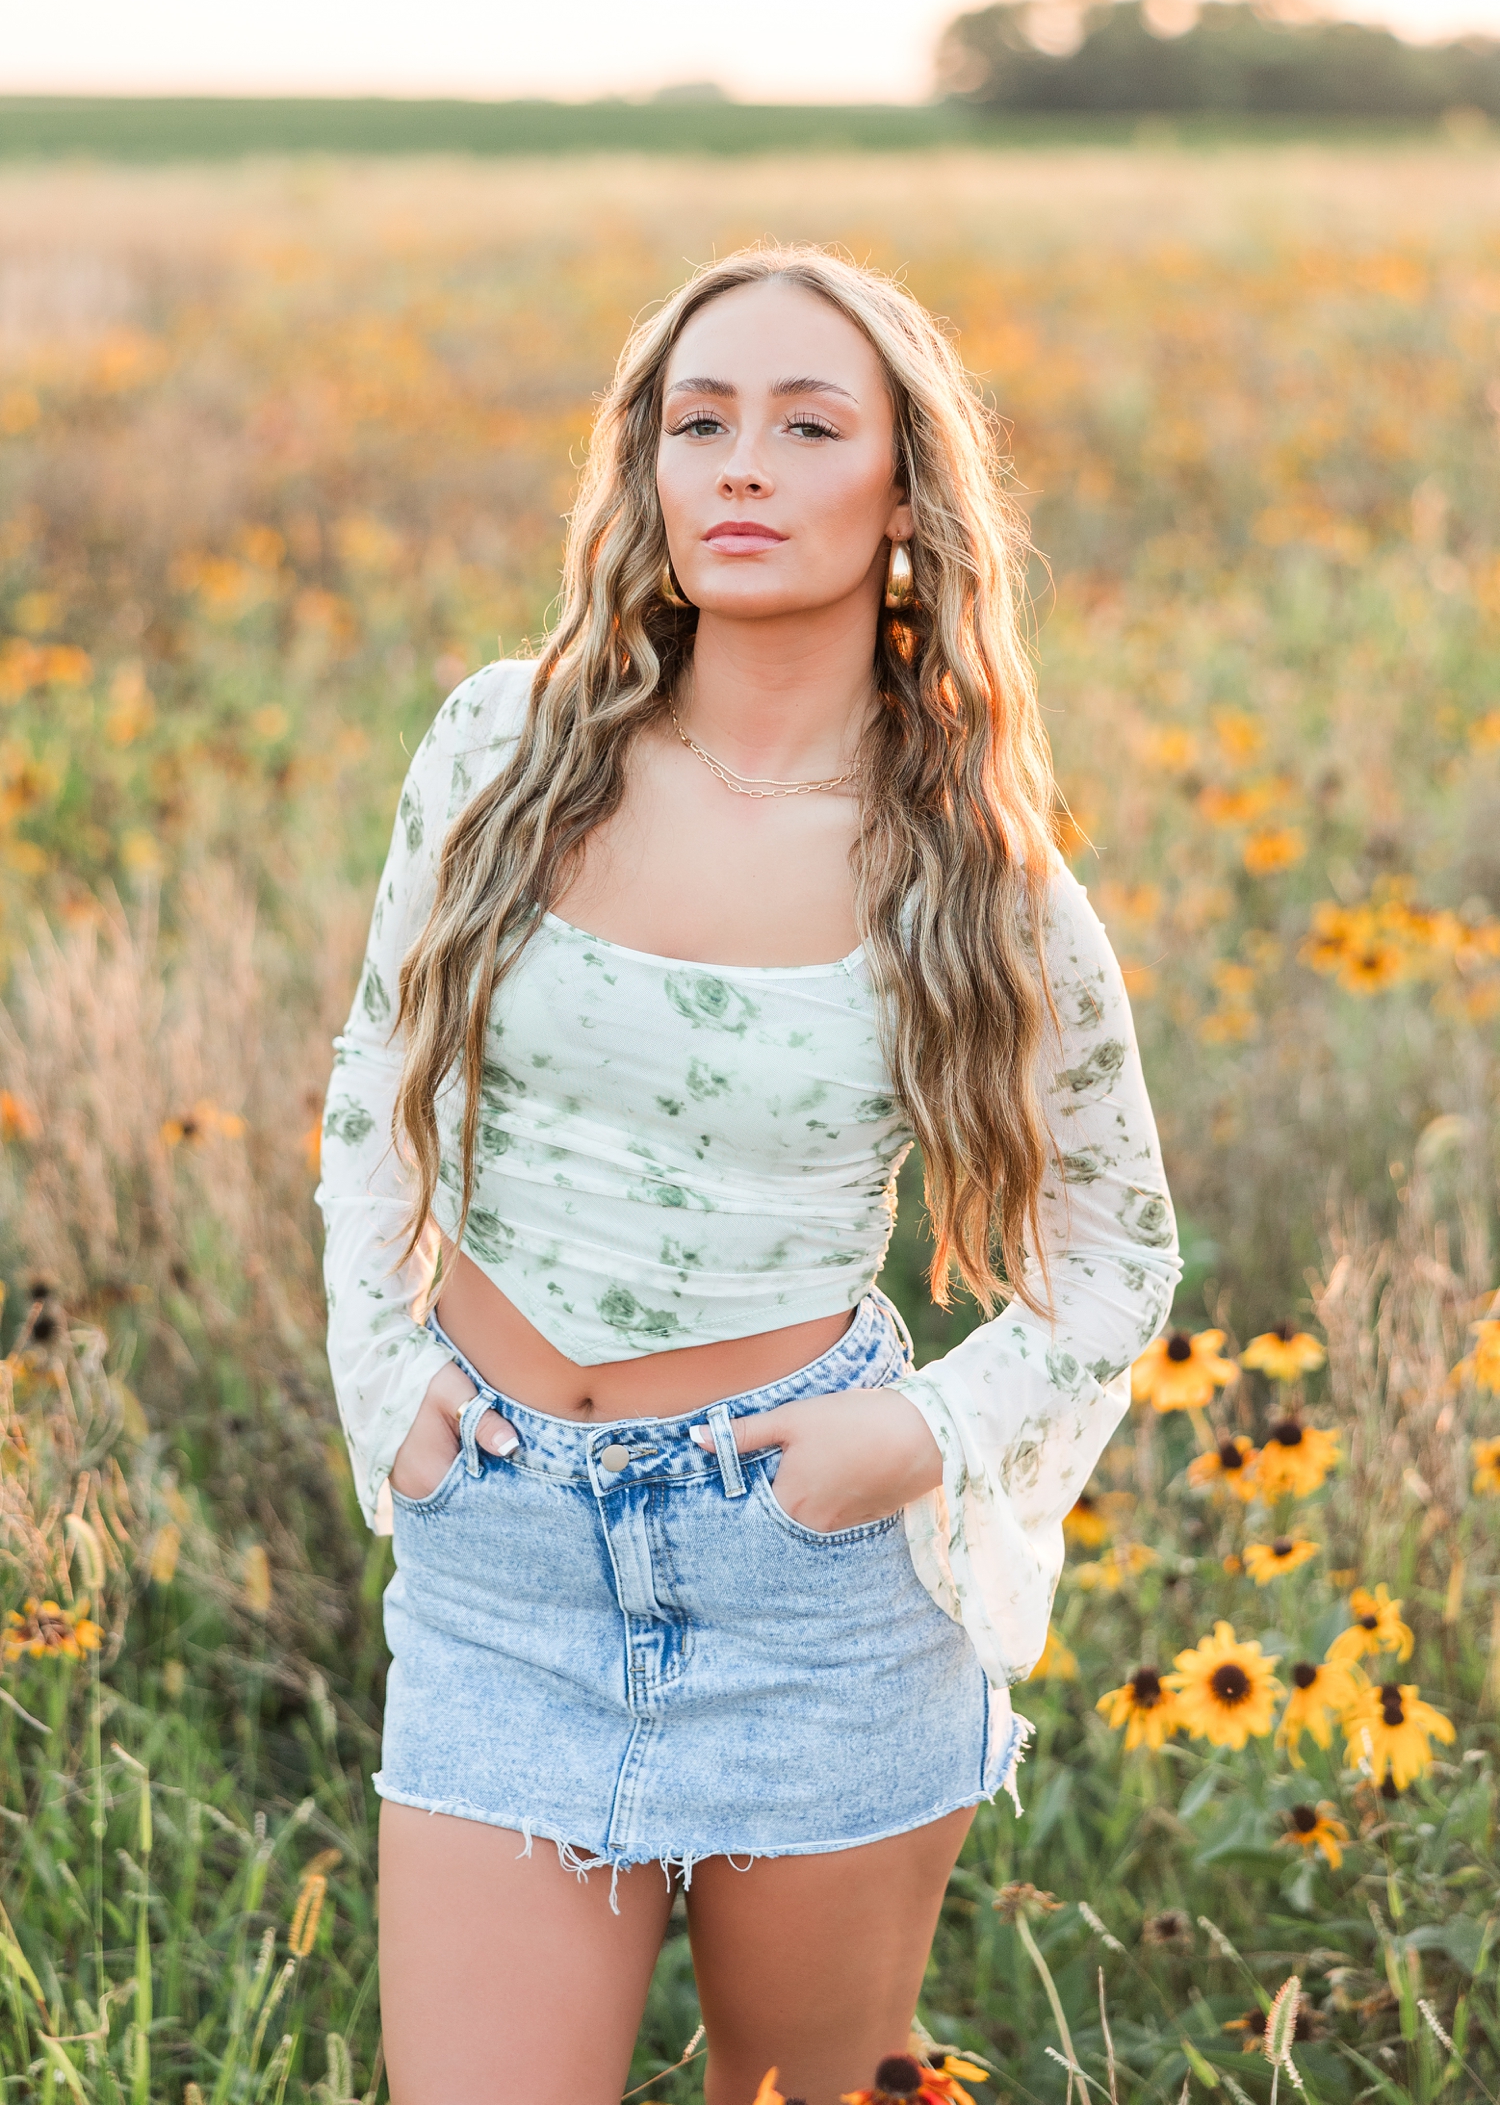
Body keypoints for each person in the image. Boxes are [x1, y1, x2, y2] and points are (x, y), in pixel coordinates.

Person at [316, 245, 1180, 2105]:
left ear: (906, 494)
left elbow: (1122, 1251)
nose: (743, 467)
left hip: (811, 1579)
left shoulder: (980, 872)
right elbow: (373, 1078)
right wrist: (384, 1383)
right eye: (698, 421)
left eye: (807, 424)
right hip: (505, 1568)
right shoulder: (503, 742)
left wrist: (925, 1436)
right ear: (643, 471)